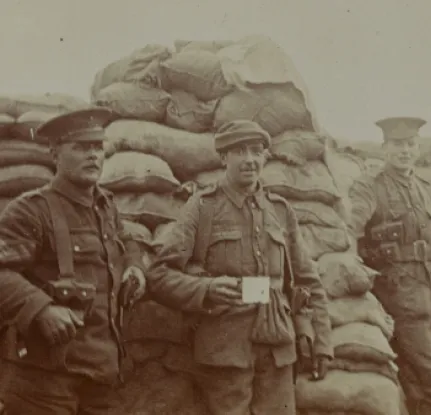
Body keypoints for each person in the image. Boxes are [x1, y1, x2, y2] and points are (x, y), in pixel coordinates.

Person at [146, 120, 332, 415]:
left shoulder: (280, 210)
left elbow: (308, 279)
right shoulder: (202, 207)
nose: (249, 159)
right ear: (223, 158)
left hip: (277, 348)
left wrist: (321, 341)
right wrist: (206, 288)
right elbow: (158, 275)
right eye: (239, 151)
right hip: (226, 349)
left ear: (265, 157)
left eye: (256, 151)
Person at [0, 108, 147, 414]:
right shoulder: (29, 210)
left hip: (101, 370)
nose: (92, 156)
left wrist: (135, 267)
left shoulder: (106, 206)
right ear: (55, 154)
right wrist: (41, 308)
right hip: (44, 379)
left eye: (96, 147)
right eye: (80, 148)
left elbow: (127, 241)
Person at [348, 117, 431, 415]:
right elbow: (351, 229)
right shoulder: (369, 186)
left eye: (410, 145)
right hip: (401, 295)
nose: (405, 151)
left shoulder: (427, 190)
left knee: (429, 378)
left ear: (418, 148)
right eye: (398, 145)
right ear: (384, 148)